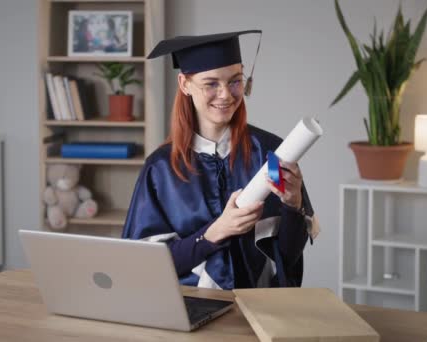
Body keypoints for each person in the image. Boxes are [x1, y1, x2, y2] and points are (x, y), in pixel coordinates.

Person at [122, 30, 320, 289]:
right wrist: (214, 232)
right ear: (185, 85)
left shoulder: (270, 153)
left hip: (258, 307)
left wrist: (293, 205)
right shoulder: (161, 169)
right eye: (211, 84)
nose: (226, 94)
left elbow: (287, 257)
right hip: (189, 306)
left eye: (235, 81)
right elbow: (145, 266)